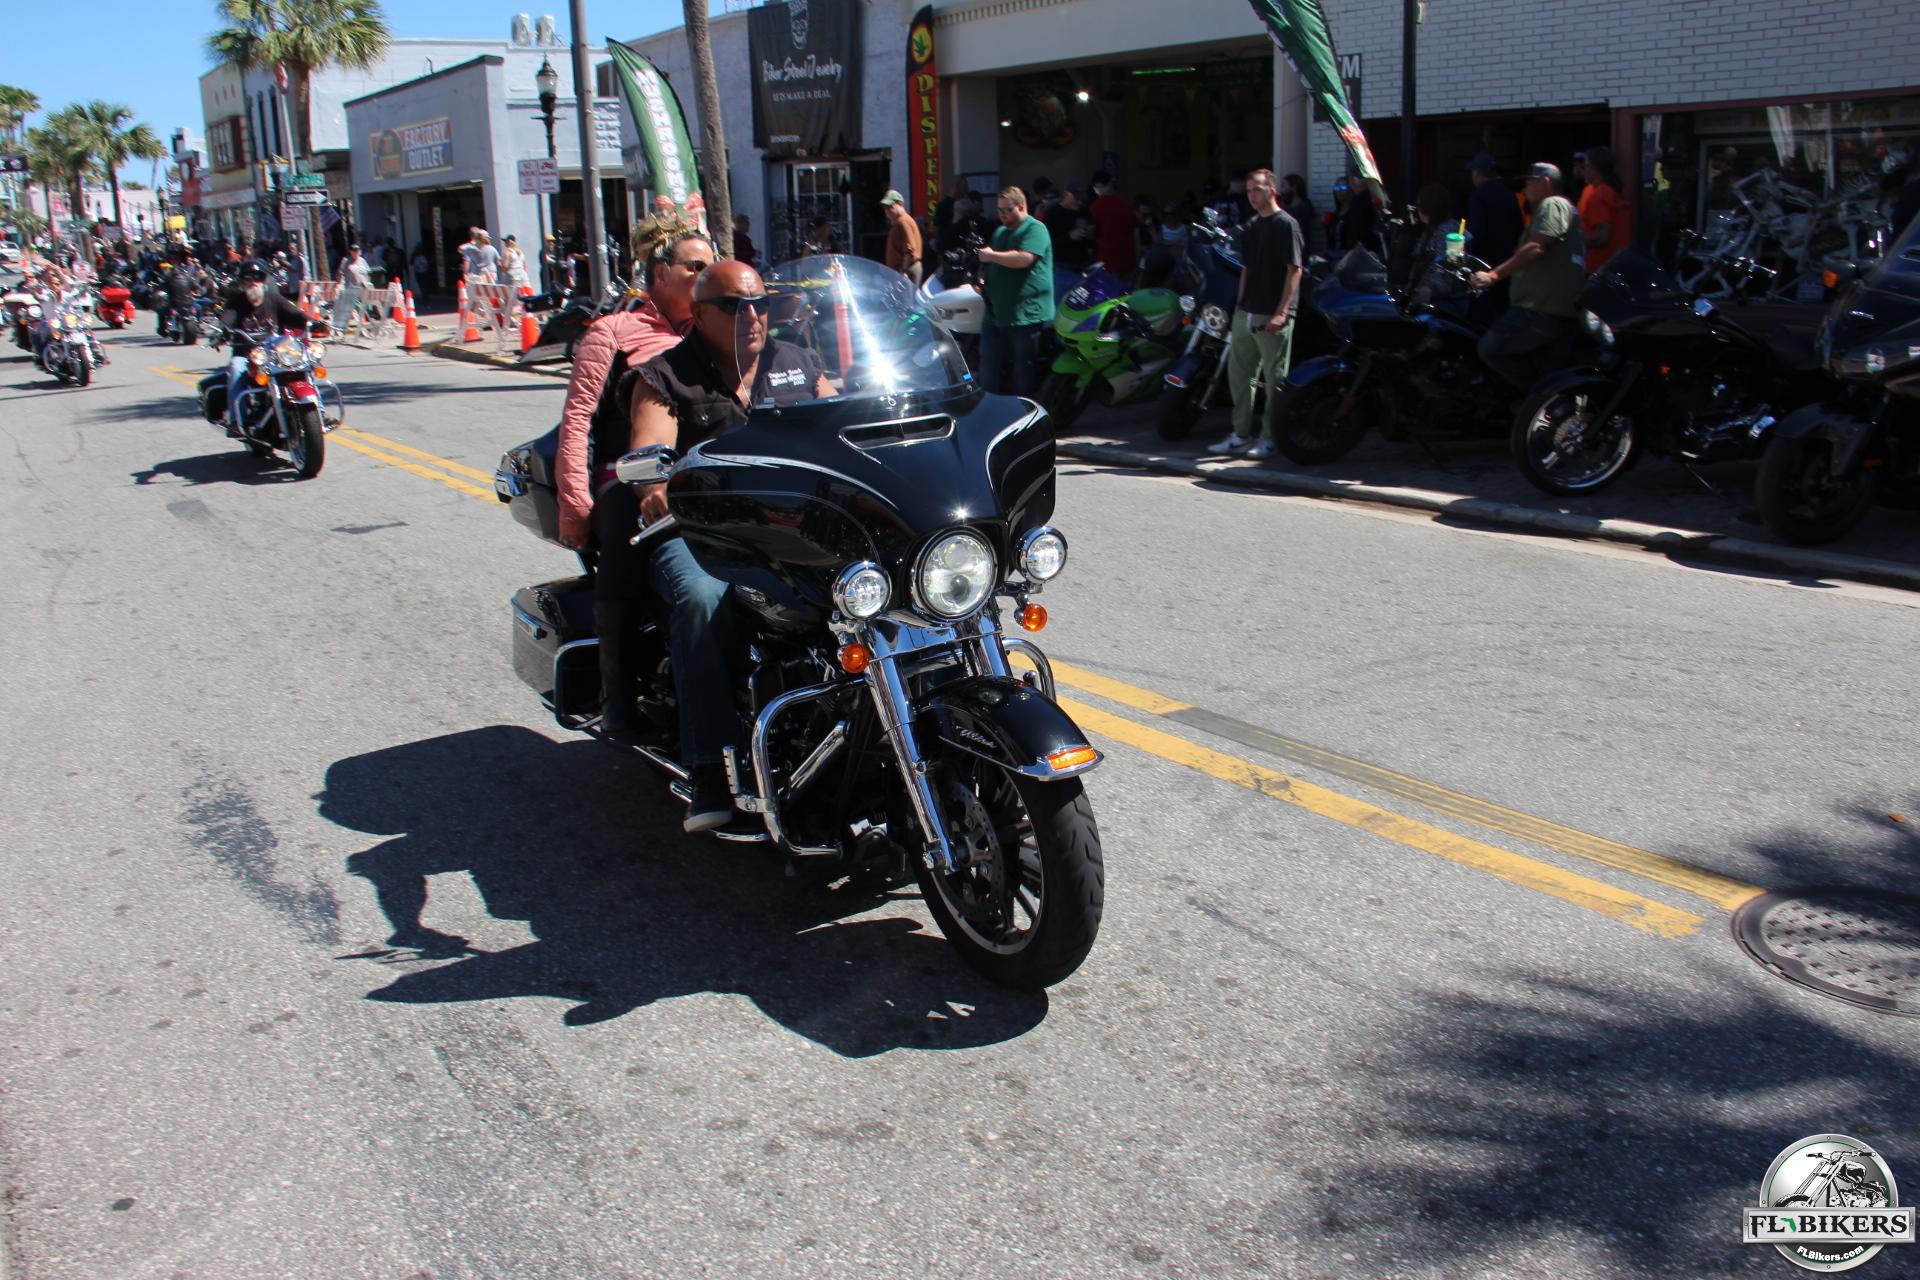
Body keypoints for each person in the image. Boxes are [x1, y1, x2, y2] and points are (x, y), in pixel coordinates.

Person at [618, 261, 833, 830]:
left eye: (760, 303)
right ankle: (710, 766)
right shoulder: (667, 376)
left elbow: (844, 424)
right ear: (699, 312)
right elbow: (649, 455)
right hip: (700, 531)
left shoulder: (797, 362)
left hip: (791, 526)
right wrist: (657, 487)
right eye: (736, 306)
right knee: (703, 598)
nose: (753, 316)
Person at [554, 219, 713, 748]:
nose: (706, 276)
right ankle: (616, 694)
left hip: (707, 479)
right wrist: (576, 507)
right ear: (661, 273)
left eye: (711, 267)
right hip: (630, 475)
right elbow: (578, 420)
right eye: (695, 267)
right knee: (627, 523)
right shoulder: (614, 332)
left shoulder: (719, 328)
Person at [1207, 169, 1303, 460]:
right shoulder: (1250, 226)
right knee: (1239, 376)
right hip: (1247, 311)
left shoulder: (1287, 225)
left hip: (1272, 313)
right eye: (1249, 190)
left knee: (1274, 379)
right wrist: (1239, 304)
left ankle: (1269, 437)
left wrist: (1282, 312)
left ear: (1272, 190)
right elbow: (1246, 269)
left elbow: (1295, 270)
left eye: (1258, 189)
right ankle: (1240, 434)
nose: (1252, 195)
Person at [1470, 162, 1588, 392]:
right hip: (1556, 313)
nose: (1524, 190)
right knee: (1544, 369)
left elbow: (1537, 246)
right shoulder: (1564, 207)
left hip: (1538, 311)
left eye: (1528, 183)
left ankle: (1539, 396)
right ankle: (1541, 403)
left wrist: (1493, 275)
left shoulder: (1552, 204)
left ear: (1545, 182)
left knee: (1489, 349)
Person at [975, 186, 1055, 398]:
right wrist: (982, 277)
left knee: (1023, 372)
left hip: (1025, 315)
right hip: (995, 313)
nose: (1002, 215)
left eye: (1007, 210)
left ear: (1021, 207)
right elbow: (991, 264)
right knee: (988, 366)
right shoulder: (1000, 232)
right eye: (999, 210)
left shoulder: (1035, 229)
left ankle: (1026, 412)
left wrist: (991, 256)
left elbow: (1024, 258)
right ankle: (989, 409)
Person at [215, 258, 310, 437]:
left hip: (276, 354)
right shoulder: (236, 302)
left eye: (258, 277)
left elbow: (295, 314)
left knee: (305, 363)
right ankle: (237, 421)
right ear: (242, 282)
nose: (253, 282)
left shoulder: (274, 298)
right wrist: (220, 333)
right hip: (247, 355)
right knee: (235, 368)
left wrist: (313, 322)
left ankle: (318, 411)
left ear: (264, 280)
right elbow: (226, 319)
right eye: (248, 278)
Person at [1465, 152, 1524, 323]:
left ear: (1477, 173)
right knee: (1503, 310)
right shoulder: (1510, 195)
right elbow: (1519, 229)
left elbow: (1477, 233)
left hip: (1483, 264)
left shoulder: (1478, 196)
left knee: (1482, 316)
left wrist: (1467, 255)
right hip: (1506, 263)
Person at [1576, 145, 1625, 275]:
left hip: (1600, 269)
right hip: (1618, 266)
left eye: (1585, 166)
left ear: (1594, 169)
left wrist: (1573, 241)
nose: (1583, 170)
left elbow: (1602, 237)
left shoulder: (1598, 195)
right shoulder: (1614, 192)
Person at [1087, 171, 1137, 278]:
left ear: (1098, 186)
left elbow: (1091, 235)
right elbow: (1136, 232)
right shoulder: (1126, 206)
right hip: (1127, 259)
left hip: (1106, 261)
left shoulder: (1094, 208)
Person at [1043, 181, 1093, 272]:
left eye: (1081, 198)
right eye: (1076, 197)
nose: (1079, 201)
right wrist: (1069, 237)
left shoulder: (1084, 211)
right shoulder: (1053, 213)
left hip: (1082, 263)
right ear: (1066, 194)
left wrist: (1090, 233)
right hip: (1061, 264)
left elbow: (1092, 234)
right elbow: (1047, 242)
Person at [880, 189, 924, 284]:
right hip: (902, 270)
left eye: (890, 206)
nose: (887, 210)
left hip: (906, 270)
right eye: (885, 207)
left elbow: (909, 250)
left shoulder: (903, 222)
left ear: (900, 204)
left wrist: (904, 271)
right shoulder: (900, 221)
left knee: (908, 294)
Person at [1279, 173, 1326, 256]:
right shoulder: (1289, 208)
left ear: (1294, 187)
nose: (1281, 190)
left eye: (1284, 186)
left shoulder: (1303, 208)